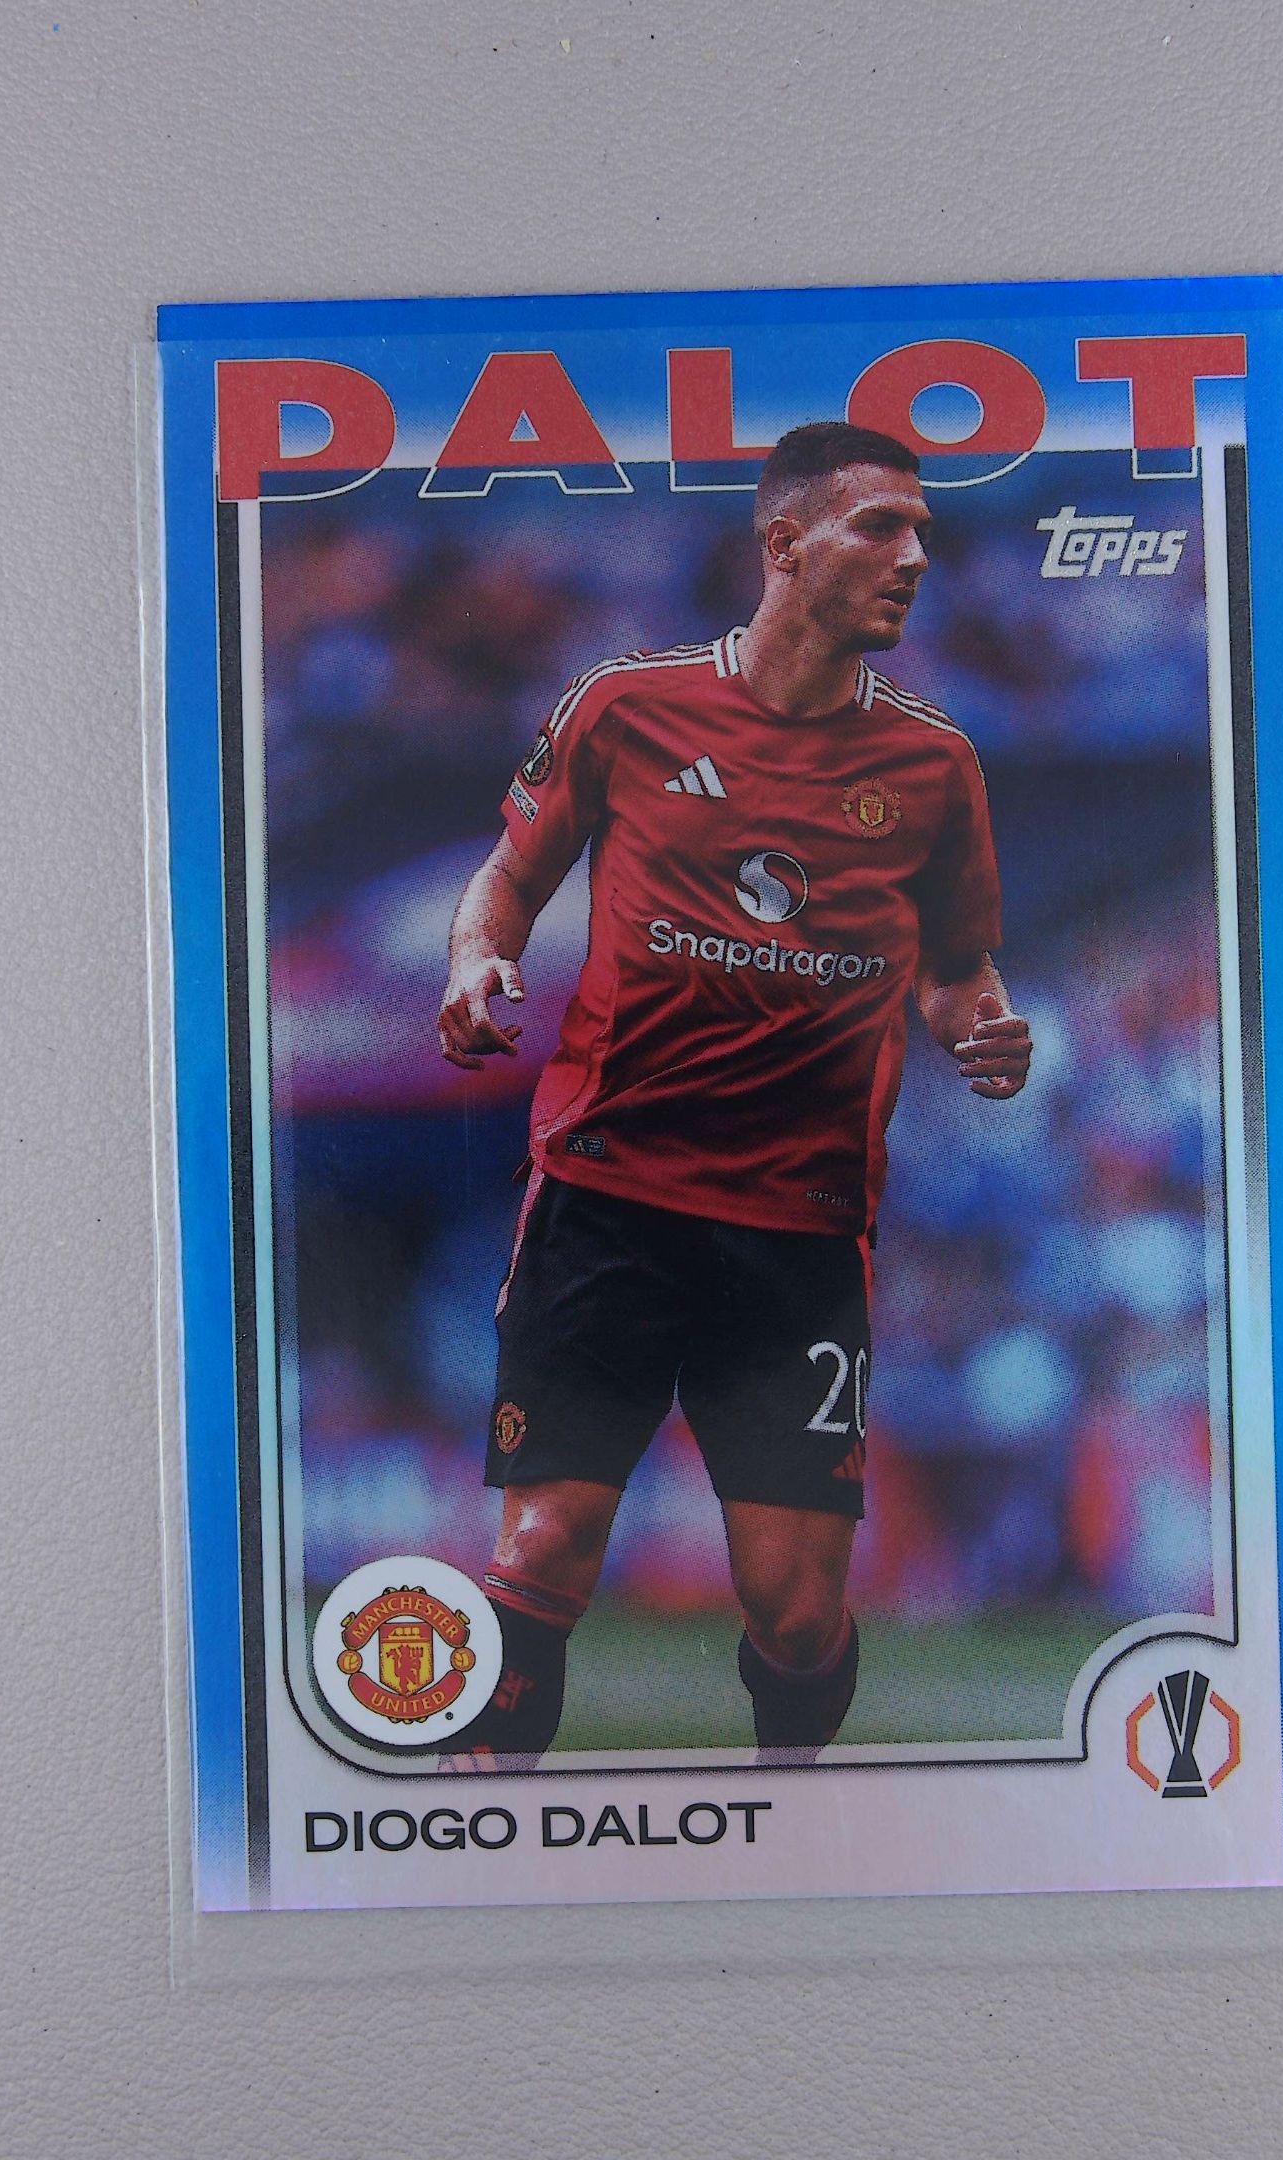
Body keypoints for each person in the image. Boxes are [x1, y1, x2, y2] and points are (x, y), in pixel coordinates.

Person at [437, 421, 1032, 1762]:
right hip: (606, 1199)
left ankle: (787, 1805)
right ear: (785, 543)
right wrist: (476, 961)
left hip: (796, 1233)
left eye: (923, 533)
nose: (914, 557)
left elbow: (958, 973)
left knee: (796, 1612)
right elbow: (510, 876)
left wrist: (984, 1031)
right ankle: (479, 1828)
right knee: (542, 1545)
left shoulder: (933, 764)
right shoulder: (624, 706)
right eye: (881, 526)